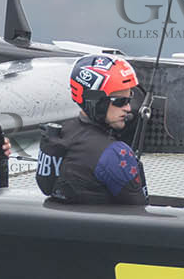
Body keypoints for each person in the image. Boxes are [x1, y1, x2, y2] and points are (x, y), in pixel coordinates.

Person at [36, 55, 148, 204]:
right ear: (96, 101)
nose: (128, 108)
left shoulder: (61, 133)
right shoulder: (116, 154)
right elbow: (142, 209)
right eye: (120, 101)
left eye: (130, 98)